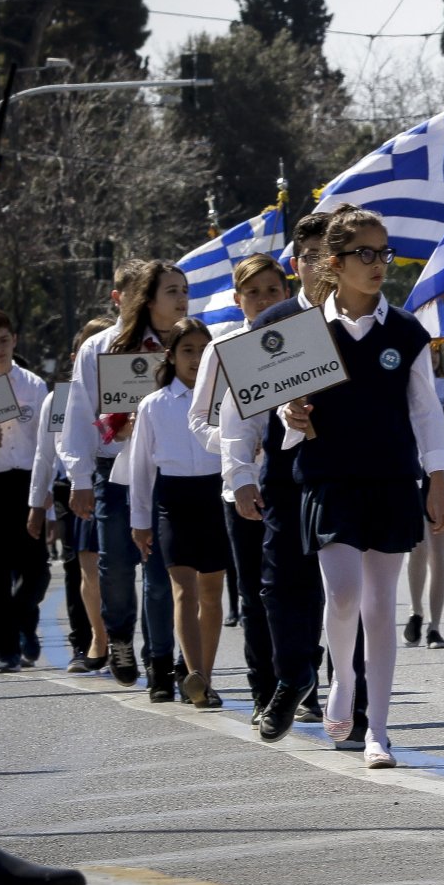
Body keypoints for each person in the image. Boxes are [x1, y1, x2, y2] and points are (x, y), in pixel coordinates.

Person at [277, 208, 444, 768]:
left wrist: (439, 480)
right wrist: (291, 416)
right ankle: (342, 684)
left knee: (380, 605)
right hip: (330, 477)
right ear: (336, 263)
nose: (378, 265)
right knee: (344, 594)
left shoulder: (407, 331)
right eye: (365, 255)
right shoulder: (306, 335)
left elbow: (426, 413)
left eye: (384, 254)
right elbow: (285, 415)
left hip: (393, 479)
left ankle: (377, 727)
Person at [229, 212, 340, 741]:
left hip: (350, 477)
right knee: (280, 589)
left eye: (337, 255)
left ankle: (352, 696)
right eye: (318, 257)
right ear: (300, 265)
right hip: (286, 477)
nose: (330, 266)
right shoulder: (270, 325)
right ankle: (293, 679)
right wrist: (239, 474)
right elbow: (241, 412)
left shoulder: (363, 320)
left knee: (348, 591)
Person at [64, 260, 188, 699]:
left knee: (161, 573)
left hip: (166, 472)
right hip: (113, 471)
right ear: (148, 299)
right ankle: (118, 636)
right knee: (115, 566)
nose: (181, 299)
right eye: (172, 291)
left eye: (184, 290)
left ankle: (160, 666)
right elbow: (79, 413)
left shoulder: (188, 345)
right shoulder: (102, 346)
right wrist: (78, 477)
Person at [188, 254, 289, 715]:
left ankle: (299, 682)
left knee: (301, 588)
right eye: (253, 292)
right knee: (253, 591)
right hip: (243, 486)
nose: (263, 299)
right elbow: (199, 420)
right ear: (237, 299)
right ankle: (263, 690)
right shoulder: (221, 348)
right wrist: (236, 450)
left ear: (285, 293)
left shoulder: (306, 338)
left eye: (272, 290)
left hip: (297, 479)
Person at [128, 318, 228, 708]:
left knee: (212, 591)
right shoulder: (154, 405)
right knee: (183, 589)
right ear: (171, 355)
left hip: (215, 496)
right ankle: (194, 675)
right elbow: (140, 469)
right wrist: (140, 522)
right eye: (188, 350)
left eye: (204, 350)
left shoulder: (225, 398)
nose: (196, 358)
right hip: (173, 499)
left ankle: (206, 675)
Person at [32, 318, 112, 673]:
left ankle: (119, 640)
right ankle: (86, 642)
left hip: (116, 480)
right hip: (72, 489)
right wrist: (38, 502)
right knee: (78, 567)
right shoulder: (58, 399)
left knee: (118, 568)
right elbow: (45, 454)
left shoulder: (126, 389)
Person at [0, 310, 50, 674]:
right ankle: (3, 648)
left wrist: (46, 489)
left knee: (36, 570)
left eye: (4, 340)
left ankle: (21, 620)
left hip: (26, 482)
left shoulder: (34, 385)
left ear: (14, 340)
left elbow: (44, 441)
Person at [404, 346, 444, 650]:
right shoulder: (401, 383)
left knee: (439, 553)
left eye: (436, 352)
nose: (431, 357)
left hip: (442, 469)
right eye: (425, 351)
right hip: (409, 468)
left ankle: (435, 626)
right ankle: (416, 611)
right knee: (417, 548)